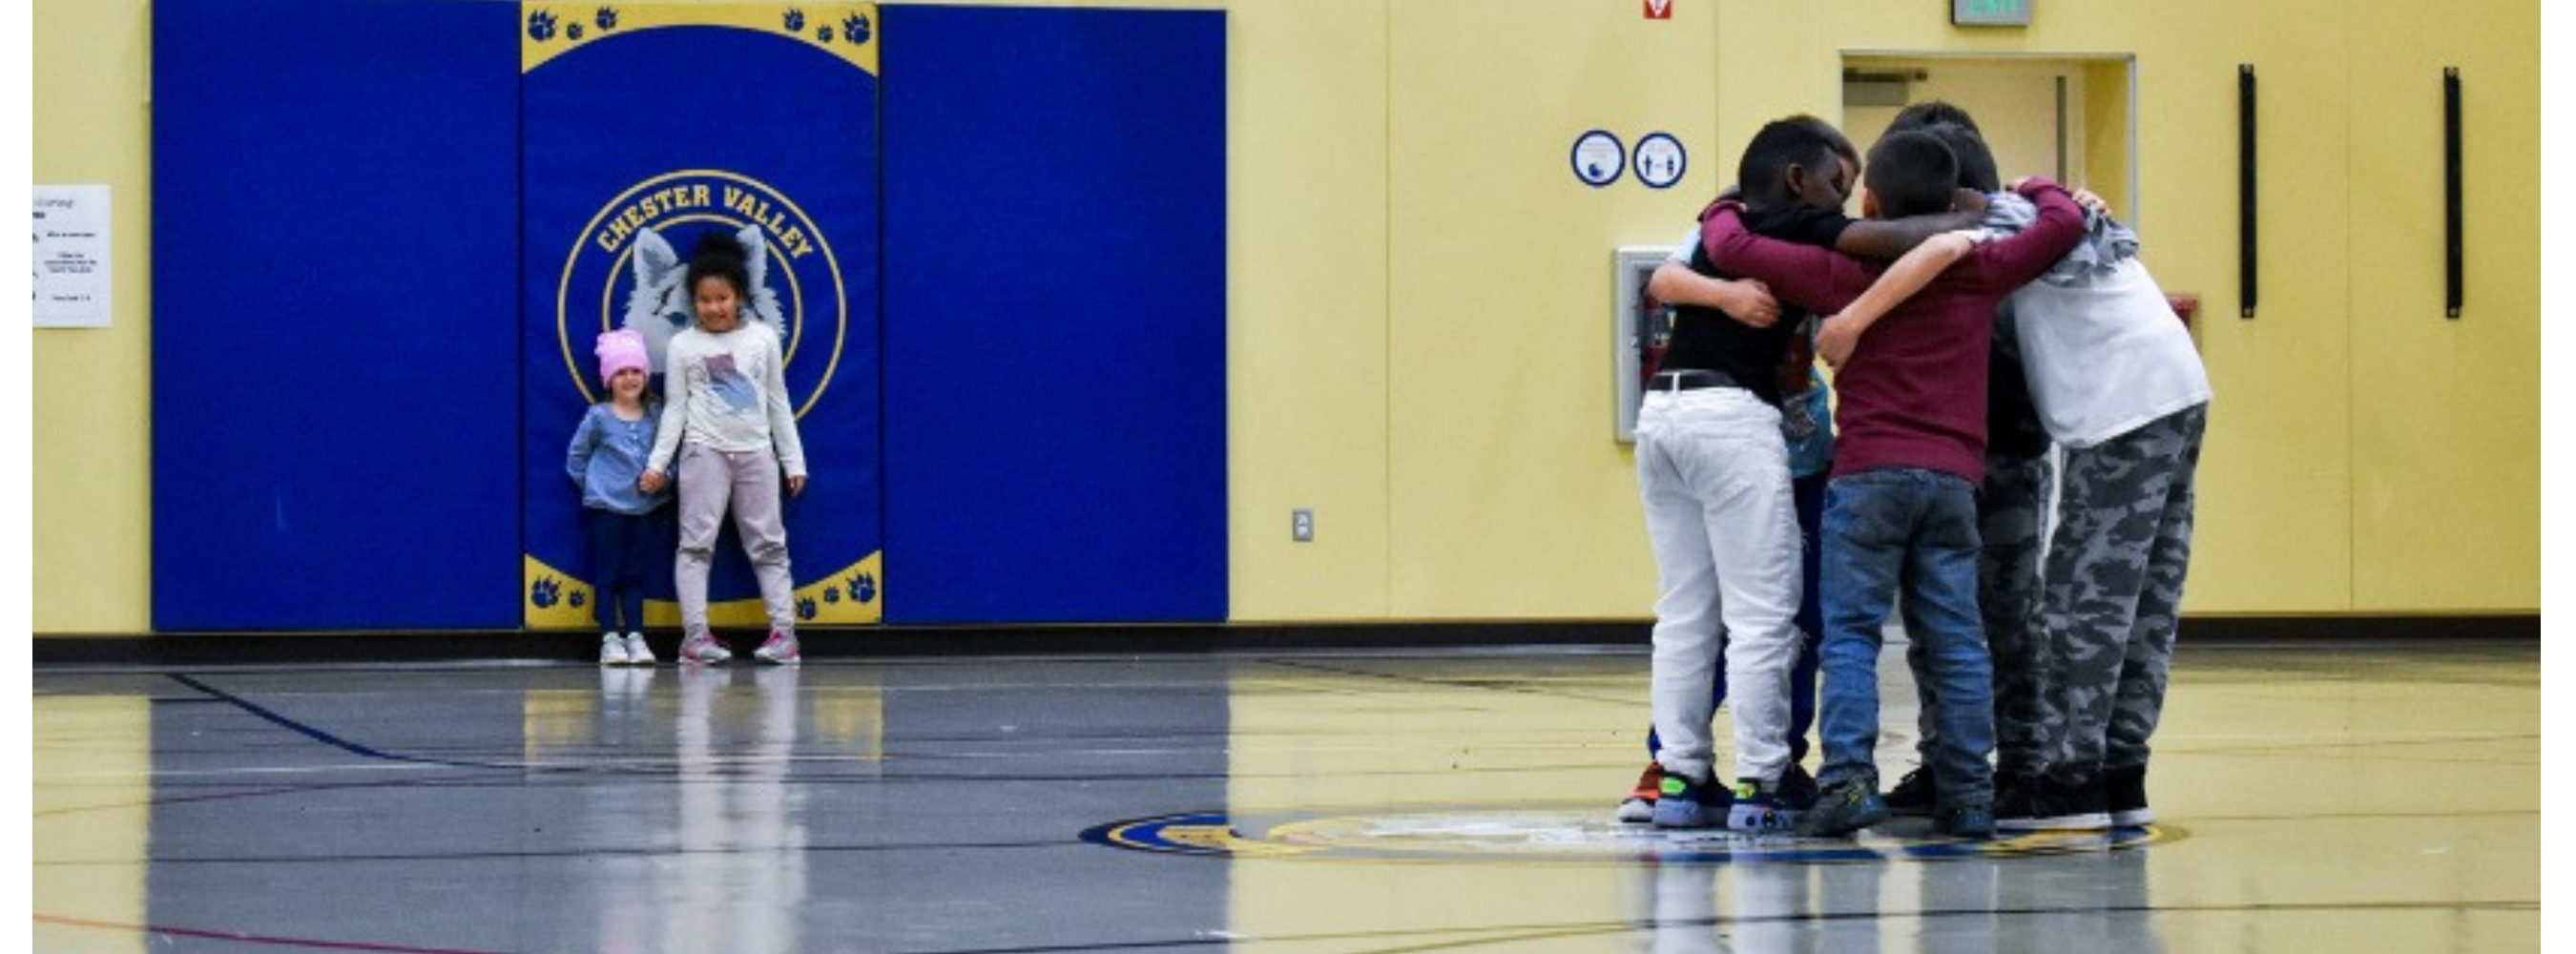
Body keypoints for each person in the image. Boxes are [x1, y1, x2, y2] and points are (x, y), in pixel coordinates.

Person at [1700, 128, 2087, 839]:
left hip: (1868, 478)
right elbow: (2063, 225)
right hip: (1952, 484)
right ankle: (1970, 794)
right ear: (1950, 202)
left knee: (1850, 634)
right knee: (1957, 639)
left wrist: (1721, 205)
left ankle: (1848, 783)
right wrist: (2028, 187)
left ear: (1871, 202)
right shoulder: (1979, 269)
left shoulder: (1841, 275)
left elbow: (1735, 250)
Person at [1614, 119, 1986, 824]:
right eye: (1837, 188)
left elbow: (1666, 277)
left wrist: (1719, 263)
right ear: (1797, 182)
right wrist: (1972, 216)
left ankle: (1680, 778)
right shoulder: (1802, 225)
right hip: (1732, 420)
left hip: (1663, 415)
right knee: (1763, 617)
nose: (1844, 206)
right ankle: (1762, 778)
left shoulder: (1730, 217)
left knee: (1685, 612)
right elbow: (1892, 246)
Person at [640, 231, 811, 666]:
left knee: (769, 545)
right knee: (695, 546)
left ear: (739, 298)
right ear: (693, 302)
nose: (714, 308)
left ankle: (784, 636)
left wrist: (793, 460)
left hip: (756, 454)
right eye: (704, 299)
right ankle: (695, 638)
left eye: (722, 298)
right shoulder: (683, 346)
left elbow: (777, 400)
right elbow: (675, 409)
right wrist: (659, 463)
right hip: (704, 454)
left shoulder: (763, 339)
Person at [568, 328, 674, 666]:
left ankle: (637, 636)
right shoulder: (599, 417)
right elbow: (577, 458)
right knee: (608, 572)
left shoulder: (656, 416)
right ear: (609, 379)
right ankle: (609, 638)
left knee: (635, 573)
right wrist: (595, 488)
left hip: (643, 509)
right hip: (606, 509)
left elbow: (670, 458)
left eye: (636, 371)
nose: (629, 378)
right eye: (621, 372)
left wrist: (664, 481)